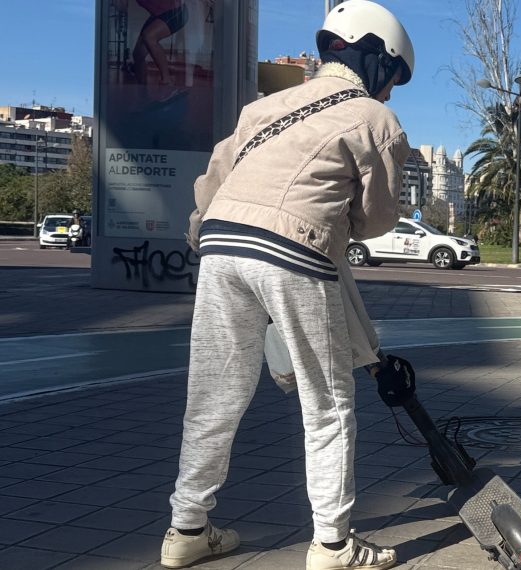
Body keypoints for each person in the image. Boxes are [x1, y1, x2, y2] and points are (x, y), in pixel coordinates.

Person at [161, 2, 414, 569]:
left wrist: (209, 234)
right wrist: (335, 220)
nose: (391, 93)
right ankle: (332, 546)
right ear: (377, 59)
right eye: (392, 79)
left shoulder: (263, 108)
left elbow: (213, 181)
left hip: (222, 245)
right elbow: (377, 219)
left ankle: (186, 529)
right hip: (295, 248)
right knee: (326, 403)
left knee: (213, 396)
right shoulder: (375, 120)